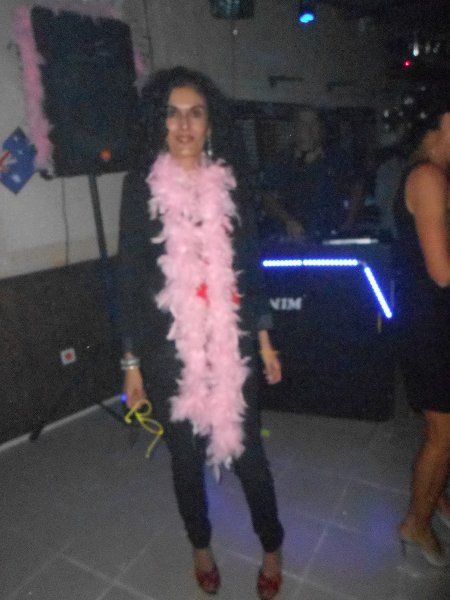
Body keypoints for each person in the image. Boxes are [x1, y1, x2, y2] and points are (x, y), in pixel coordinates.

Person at [117, 66, 284, 599]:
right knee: (185, 458)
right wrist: (131, 364)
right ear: (158, 122)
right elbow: (128, 278)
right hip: (167, 349)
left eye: (196, 113)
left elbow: (250, 270)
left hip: (231, 343)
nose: (184, 125)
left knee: (249, 458)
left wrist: (264, 340)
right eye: (173, 113)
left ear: (211, 124)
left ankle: (272, 546)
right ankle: (200, 546)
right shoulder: (139, 189)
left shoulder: (230, 184)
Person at [394, 99, 450, 567]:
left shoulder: (434, 174)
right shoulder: (428, 177)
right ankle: (416, 522)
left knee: (441, 430)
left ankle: (436, 497)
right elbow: (442, 271)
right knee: (443, 433)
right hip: (431, 326)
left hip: (432, 320)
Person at [260, 108, 363, 240]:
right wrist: (288, 220)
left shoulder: (338, 159)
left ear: (321, 128)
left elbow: (357, 187)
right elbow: (268, 198)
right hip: (294, 242)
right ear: (295, 128)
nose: (308, 130)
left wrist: (349, 221)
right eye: (303, 124)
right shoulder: (282, 162)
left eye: (313, 124)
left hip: (332, 239)